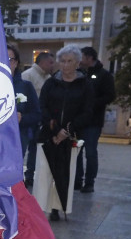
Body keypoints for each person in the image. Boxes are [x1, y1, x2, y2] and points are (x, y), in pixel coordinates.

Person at [36, 45, 94, 221]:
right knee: (45, 173)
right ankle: (39, 210)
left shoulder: (85, 85)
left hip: (71, 135)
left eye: (70, 61)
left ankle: (58, 206)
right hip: (49, 134)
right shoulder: (50, 83)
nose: (66, 64)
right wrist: (54, 129)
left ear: (77, 63)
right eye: (62, 60)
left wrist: (67, 131)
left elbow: (88, 111)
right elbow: (42, 106)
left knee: (64, 172)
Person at [75, 47, 115, 193]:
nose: (80, 60)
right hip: (78, 120)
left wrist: (91, 103)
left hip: (93, 121)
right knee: (76, 151)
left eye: (82, 57)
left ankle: (89, 181)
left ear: (89, 57)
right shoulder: (79, 74)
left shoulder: (104, 75)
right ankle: (77, 180)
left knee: (90, 151)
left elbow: (110, 95)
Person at [21, 52, 55, 185]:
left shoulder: (48, 78)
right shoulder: (28, 75)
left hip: (41, 118)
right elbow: (21, 97)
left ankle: (30, 175)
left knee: (35, 148)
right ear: (42, 62)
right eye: (50, 62)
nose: (53, 65)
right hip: (28, 118)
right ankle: (18, 176)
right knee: (23, 147)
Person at [8, 44, 41, 175]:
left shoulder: (25, 87)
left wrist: (22, 118)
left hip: (17, 140)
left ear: (16, 63)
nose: (5, 63)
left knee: (12, 177)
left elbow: (37, 115)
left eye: (9, 59)